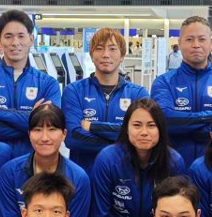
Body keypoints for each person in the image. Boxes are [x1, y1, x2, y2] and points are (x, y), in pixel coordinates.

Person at [90, 98, 187, 217]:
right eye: (137, 125)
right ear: (126, 128)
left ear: (160, 129)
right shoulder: (108, 160)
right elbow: (99, 216)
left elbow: (178, 215)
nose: (144, 132)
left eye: (151, 125)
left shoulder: (174, 162)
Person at [0, 103, 91, 217]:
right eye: (38, 130)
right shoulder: (10, 172)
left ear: (64, 134)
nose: (45, 138)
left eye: (52, 129)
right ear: (29, 134)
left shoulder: (79, 179)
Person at [0, 9, 62, 158]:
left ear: (31, 39)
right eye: (8, 36)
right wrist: (32, 121)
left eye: (21, 36)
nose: (15, 43)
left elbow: (50, 126)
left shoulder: (48, 84)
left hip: (33, 164)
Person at [152, 16, 212, 166]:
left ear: (210, 44)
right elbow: (164, 121)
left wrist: (183, 124)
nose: (196, 45)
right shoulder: (164, 82)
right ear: (180, 43)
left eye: (202, 39)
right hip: (172, 167)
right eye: (189, 39)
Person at [63, 27, 148, 172]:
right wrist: (125, 139)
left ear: (122, 56)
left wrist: (93, 127)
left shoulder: (138, 94)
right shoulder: (74, 91)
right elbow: (73, 138)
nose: (106, 55)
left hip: (126, 176)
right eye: (99, 48)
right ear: (91, 55)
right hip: (85, 176)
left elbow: (141, 135)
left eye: (112, 49)